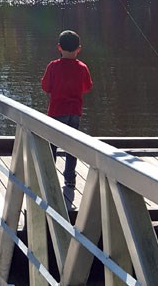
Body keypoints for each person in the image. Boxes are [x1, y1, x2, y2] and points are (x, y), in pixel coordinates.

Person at [41, 30, 93, 205]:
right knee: (72, 148)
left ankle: (49, 178)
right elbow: (87, 87)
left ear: (59, 47)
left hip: (56, 112)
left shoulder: (53, 66)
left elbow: (46, 87)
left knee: (52, 147)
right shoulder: (82, 67)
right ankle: (70, 181)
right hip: (74, 113)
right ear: (79, 49)